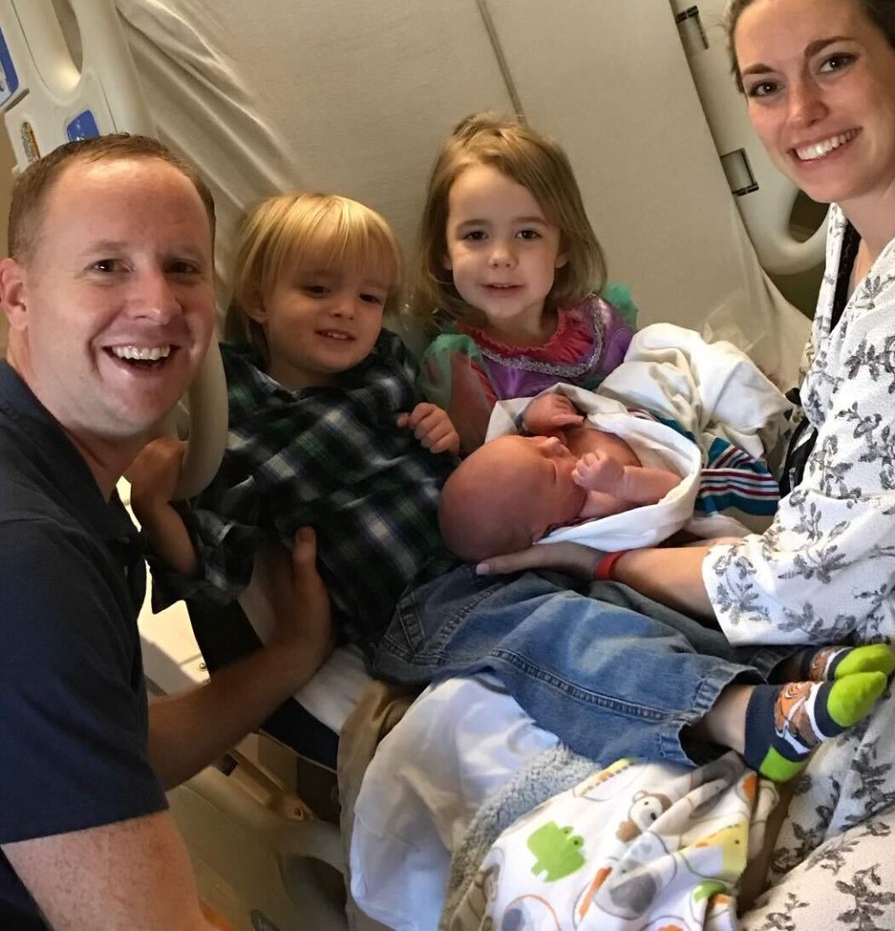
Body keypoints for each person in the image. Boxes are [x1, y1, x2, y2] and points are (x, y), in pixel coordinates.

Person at [476, 0, 895, 872]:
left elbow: (808, 582)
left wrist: (603, 562)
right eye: (766, 85)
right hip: (836, 568)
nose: (802, 111)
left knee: (534, 627)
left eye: (834, 62)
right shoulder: (864, 224)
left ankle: (741, 714)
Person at [0, 136, 333, 930]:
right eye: (107, 266)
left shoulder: (61, 486)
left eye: (183, 267)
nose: (157, 305)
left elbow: (104, 751)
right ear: (16, 295)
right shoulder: (26, 557)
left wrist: (290, 654)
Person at [131, 192, 459, 663]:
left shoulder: (386, 365)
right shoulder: (232, 418)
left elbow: (443, 461)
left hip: (492, 552)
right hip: (414, 609)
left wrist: (440, 428)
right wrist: (152, 505)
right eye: (319, 290)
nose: (347, 309)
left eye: (369, 298)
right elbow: (211, 572)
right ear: (260, 301)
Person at [411, 113, 637, 452]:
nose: (501, 256)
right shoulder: (461, 366)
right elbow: (491, 471)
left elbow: (654, 391)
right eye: (476, 235)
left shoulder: (602, 317)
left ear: (564, 247)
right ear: (444, 250)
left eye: (527, 233)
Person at [438, 390, 683, 562]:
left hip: (619, 407)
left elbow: (552, 420)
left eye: (532, 441)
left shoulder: (530, 463)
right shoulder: (594, 505)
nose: (553, 443)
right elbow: (671, 486)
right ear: (543, 529)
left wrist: (537, 420)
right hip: (662, 430)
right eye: (552, 471)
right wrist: (622, 481)